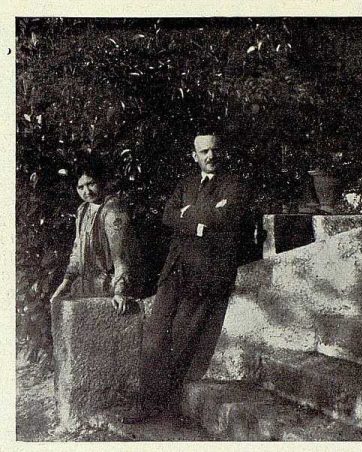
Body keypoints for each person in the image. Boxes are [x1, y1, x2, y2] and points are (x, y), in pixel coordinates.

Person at [123, 134, 247, 423]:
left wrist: (188, 216)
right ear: (195, 156)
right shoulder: (187, 184)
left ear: (222, 152)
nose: (210, 156)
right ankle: (145, 403)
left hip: (204, 274)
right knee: (153, 336)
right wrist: (201, 221)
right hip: (174, 271)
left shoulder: (233, 185)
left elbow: (226, 219)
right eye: (204, 151)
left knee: (180, 338)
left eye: (215, 150)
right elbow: (167, 215)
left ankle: (166, 405)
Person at [50, 158, 139, 314]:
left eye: (91, 184)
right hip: (88, 290)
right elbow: (77, 250)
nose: (87, 191)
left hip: (110, 291)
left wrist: (120, 291)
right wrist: (66, 282)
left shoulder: (112, 210)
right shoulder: (82, 210)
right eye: (81, 187)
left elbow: (121, 256)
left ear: (101, 181)